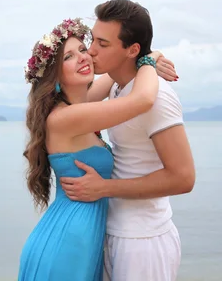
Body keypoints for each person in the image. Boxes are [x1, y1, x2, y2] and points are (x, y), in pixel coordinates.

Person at [17, 17, 178, 281]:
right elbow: (143, 99)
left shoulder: (78, 106)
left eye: (83, 49)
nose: (83, 58)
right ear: (55, 75)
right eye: (68, 57)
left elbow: (115, 76)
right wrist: (149, 61)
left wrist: (149, 55)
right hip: (68, 242)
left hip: (82, 236)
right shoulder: (64, 118)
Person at [59, 0, 196, 281]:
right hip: (116, 231)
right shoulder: (121, 88)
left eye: (103, 44)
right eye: (92, 40)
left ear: (131, 50)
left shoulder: (156, 98)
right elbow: (77, 102)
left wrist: (104, 188)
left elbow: (184, 178)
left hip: (143, 241)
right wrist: (150, 57)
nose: (91, 52)